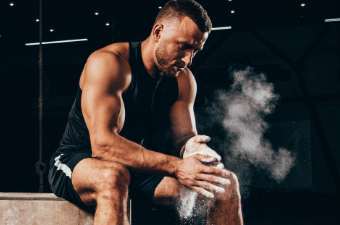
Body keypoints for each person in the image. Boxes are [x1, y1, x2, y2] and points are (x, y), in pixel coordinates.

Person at [47, 0, 243, 224]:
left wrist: (194, 150)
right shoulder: (109, 63)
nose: (188, 59)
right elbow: (102, 145)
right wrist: (178, 166)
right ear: (158, 31)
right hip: (79, 160)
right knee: (113, 175)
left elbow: (183, 137)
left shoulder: (183, 79)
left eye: (195, 51)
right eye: (183, 46)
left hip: (134, 167)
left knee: (224, 184)